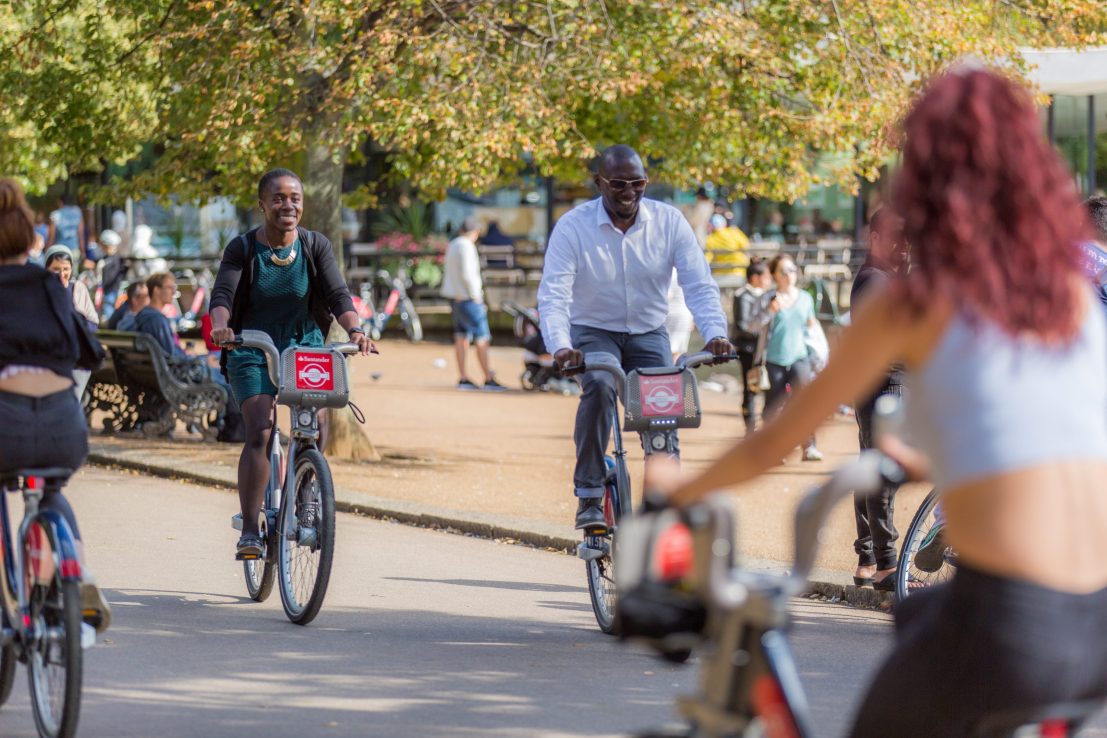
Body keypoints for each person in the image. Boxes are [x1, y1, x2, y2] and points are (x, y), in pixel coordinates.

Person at [653, 67, 1107, 737]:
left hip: (1008, 625)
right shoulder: (1066, 297)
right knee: (920, 618)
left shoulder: (912, 303)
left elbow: (776, 440)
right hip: (1094, 625)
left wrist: (679, 487)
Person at [538, 145, 732, 529]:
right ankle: (590, 494)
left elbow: (698, 285)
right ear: (599, 183)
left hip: (648, 332)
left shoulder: (669, 222)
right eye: (619, 184)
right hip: (593, 331)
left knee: (662, 416)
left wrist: (715, 334)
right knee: (597, 385)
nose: (629, 192)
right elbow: (554, 294)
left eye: (638, 183)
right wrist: (561, 346)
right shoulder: (573, 227)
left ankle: (662, 512)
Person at [209, 168, 375, 558]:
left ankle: (306, 496)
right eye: (279, 198)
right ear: (262, 204)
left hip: (304, 346)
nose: (288, 205)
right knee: (262, 430)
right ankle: (251, 530)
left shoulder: (315, 246)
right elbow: (222, 297)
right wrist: (221, 328)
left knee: (314, 426)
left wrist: (355, 330)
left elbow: (338, 296)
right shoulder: (243, 248)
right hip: (251, 345)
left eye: (295, 198)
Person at [0, 178, 110, 632]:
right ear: (29, 237)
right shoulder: (51, 286)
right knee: (52, 493)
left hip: (5, 423)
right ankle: (75, 574)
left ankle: (9, 596)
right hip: (62, 425)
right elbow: (91, 349)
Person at [850, 207, 909, 590]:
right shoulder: (876, 280)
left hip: (876, 383)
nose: (903, 247)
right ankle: (887, 564)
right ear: (873, 239)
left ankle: (868, 557)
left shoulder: (885, 277)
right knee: (882, 474)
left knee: (871, 468)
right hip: (884, 383)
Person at [754, 254, 823, 461]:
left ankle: (808, 446)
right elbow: (752, 325)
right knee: (773, 407)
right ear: (774, 275)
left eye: (792, 270)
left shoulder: (805, 298)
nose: (789, 275)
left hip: (800, 357)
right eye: (783, 271)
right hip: (774, 359)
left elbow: (812, 327)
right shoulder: (768, 298)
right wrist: (768, 311)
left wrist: (818, 355)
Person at [441, 217, 506, 391]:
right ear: (475, 232)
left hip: (455, 297)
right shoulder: (467, 246)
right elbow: (468, 275)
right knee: (482, 337)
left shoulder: (453, 244)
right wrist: (477, 297)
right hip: (469, 298)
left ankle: (463, 377)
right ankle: (488, 377)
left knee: (461, 336)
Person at [732, 258, 773, 434]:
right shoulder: (742, 296)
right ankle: (750, 428)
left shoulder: (769, 295)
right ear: (755, 278)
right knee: (751, 389)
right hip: (749, 350)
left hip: (766, 350)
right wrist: (761, 334)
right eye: (766, 276)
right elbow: (742, 326)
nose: (769, 280)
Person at [47, 194, 87, 265]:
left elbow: (51, 236)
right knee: (73, 273)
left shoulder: (55, 214)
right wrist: (83, 251)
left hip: (59, 249)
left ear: (60, 202)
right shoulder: (77, 212)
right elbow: (80, 234)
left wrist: (47, 250)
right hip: (74, 249)